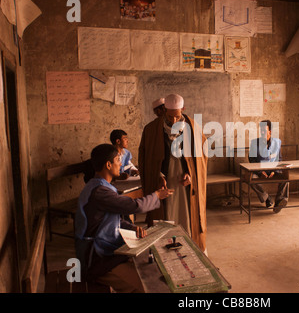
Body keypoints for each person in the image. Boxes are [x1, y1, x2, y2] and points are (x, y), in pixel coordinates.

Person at [74, 144, 173, 292]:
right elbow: (135, 206)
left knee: (149, 267)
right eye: (117, 159)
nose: (121, 163)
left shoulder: (99, 186)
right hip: (97, 260)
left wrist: (131, 227)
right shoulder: (100, 192)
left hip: (105, 252)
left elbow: (110, 221)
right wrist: (157, 196)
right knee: (146, 287)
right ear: (108, 165)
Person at [138, 94, 208, 252]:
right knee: (166, 213)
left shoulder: (194, 128)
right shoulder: (151, 130)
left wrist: (190, 174)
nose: (174, 121)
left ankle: (189, 246)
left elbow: (201, 159)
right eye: (170, 117)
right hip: (164, 181)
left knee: (187, 215)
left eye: (177, 116)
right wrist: (158, 176)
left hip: (184, 183)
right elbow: (146, 159)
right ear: (164, 111)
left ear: (183, 109)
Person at [248, 120, 289, 213]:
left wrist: (274, 171)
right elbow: (251, 160)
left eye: (264, 130)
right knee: (251, 179)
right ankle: (267, 198)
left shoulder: (277, 142)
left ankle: (279, 202)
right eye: (261, 129)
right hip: (259, 171)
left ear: (270, 131)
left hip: (274, 171)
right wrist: (259, 172)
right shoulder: (254, 143)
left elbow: (279, 159)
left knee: (286, 178)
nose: (262, 132)